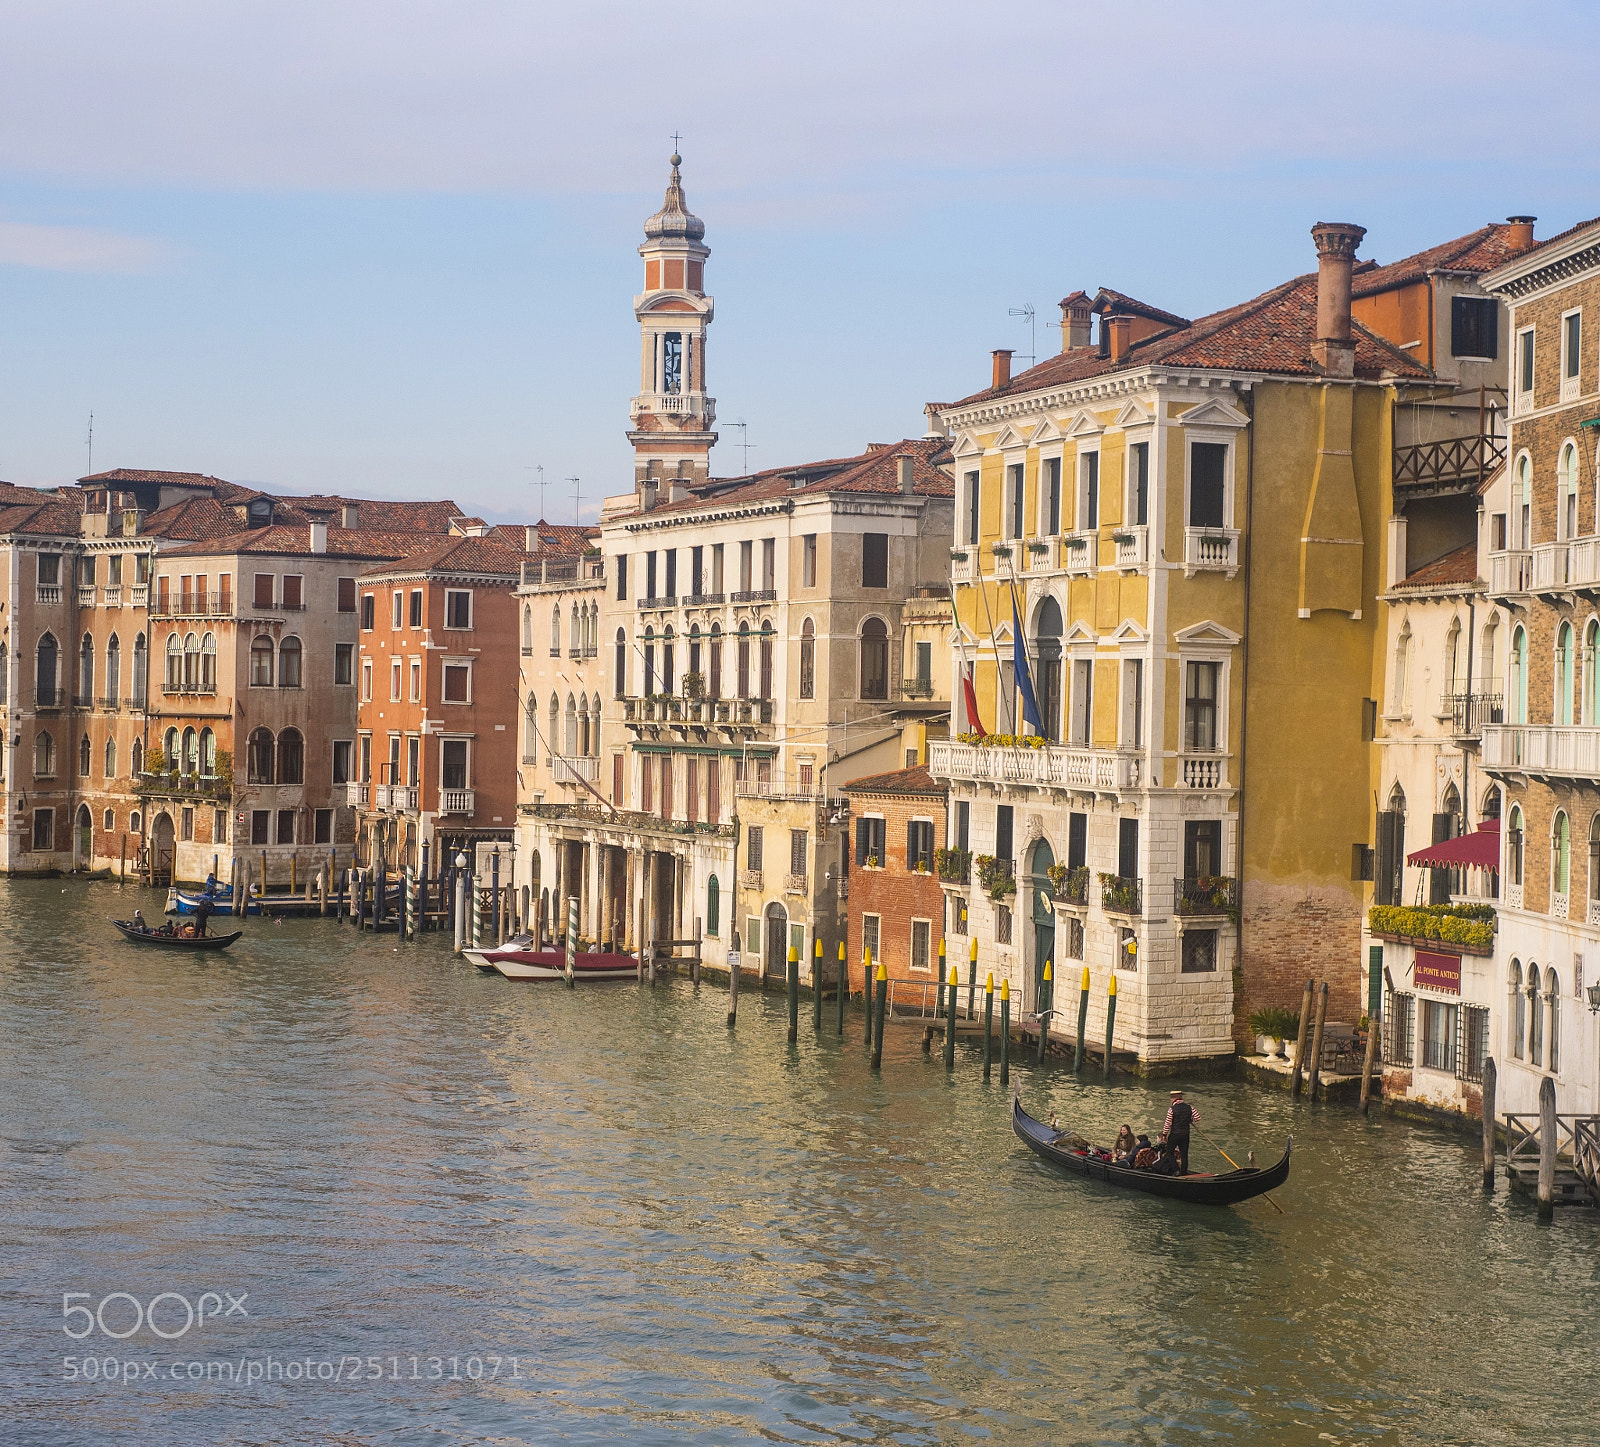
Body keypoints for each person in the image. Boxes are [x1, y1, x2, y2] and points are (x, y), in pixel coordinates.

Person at [1164, 1089, 1199, 1175]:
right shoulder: (1189, 1107)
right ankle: (1183, 1172)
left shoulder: (1171, 1109)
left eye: (1171, 1098)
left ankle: (1176, 1170)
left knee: (1169, 1152)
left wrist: (1164, 1134)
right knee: (1184, 1154)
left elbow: (1168, 1123)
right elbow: (1197, 1118)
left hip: (1175, 1134)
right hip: (1185, 1134)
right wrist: (1189, 1119)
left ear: (1174, 1098)